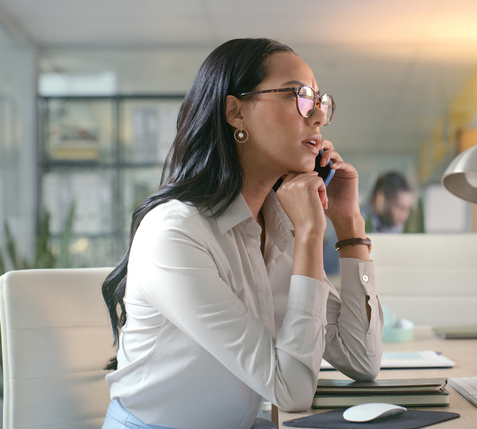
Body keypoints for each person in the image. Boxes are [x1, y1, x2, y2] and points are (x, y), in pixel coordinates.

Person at [101, 38, 383, 429]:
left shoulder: (275, 225)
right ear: (236, 112)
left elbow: (361, 360)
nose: (317, 115)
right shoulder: (175, 233)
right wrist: (309, 234)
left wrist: (349, 223)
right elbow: (291, 391)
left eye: (319, 100)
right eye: (299, 95)